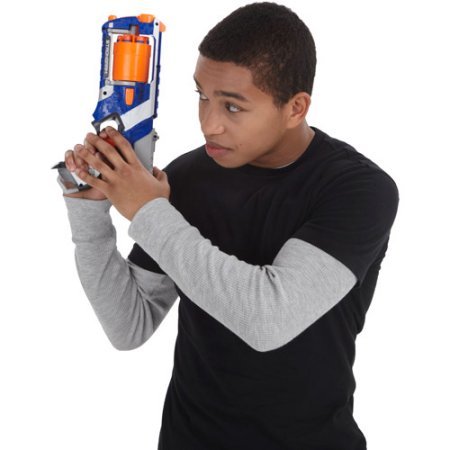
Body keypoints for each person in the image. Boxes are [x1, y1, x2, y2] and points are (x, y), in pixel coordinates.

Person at [60, 2, 399, 449]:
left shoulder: (359, 189)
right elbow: (129, 326)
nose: (209, 124)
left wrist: (148, 211)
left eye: (233, 106)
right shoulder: (188, 178)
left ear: (295, 108)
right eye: (202, 96)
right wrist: (89, 213)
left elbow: (268, 320)